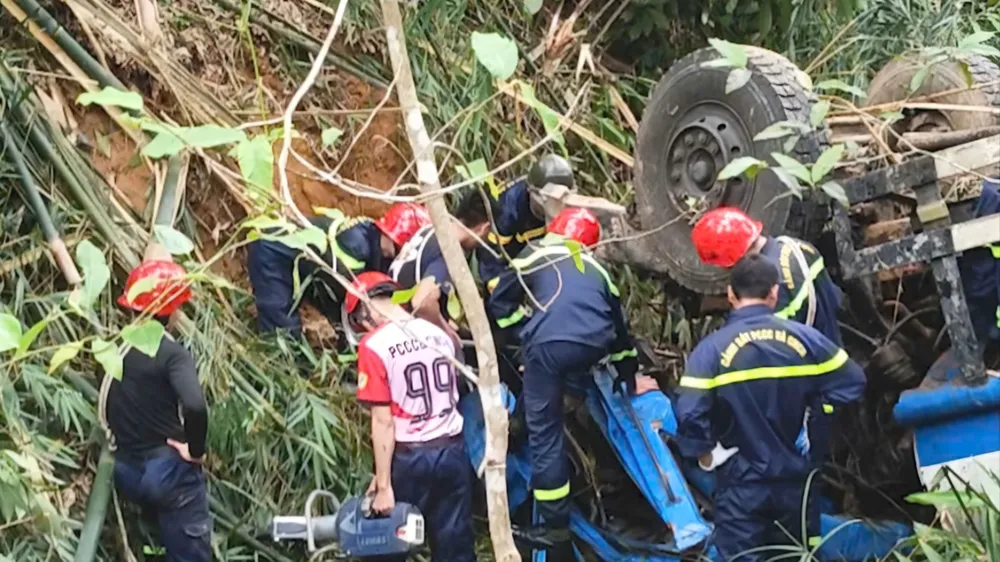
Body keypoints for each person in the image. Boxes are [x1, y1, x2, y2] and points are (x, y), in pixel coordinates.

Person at [673, 254, 866, 561]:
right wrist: (816, 417)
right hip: (796, 482)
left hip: (740, 485)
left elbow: (689, 411)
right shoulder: (807, 340)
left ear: (730, 295)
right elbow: (853, 382)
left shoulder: (710, 351)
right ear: (774, 293)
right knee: (794, 555)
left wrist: (706, 455)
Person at [486, 207, 638, 559]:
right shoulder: (600, 270)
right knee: (560, 381)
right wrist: (628, 373)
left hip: (550, 348)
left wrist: (524, 334)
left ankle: (554, 526)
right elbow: (620, 331)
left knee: (546, 432)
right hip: (595, 346)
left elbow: (500, 301)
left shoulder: (534, 252)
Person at [348, 271, 475, 562]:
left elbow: (383, 421)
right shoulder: (438, 334)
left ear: (365, 311)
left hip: (411, 457)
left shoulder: (374, 346)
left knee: (386, 543)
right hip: (452, 449)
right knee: (455, 546)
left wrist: (384, 485)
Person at [102, 260, 211, 561]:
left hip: (127, 472)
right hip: (167, 474)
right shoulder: (172, 355)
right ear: (171, 311)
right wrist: (196, 450)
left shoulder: (115, 348)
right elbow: (195, 405)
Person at [247, 202, 431, 336]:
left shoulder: (372, 238)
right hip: (273, 251)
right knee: (282, 327)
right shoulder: (356, 246)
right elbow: (344, 293)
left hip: (306, 260)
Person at [692, 207, 842, 346]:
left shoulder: (767, 285)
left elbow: (772, 346)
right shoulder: (799, 247)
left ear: (733, 260)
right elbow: (834, 300)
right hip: (832, 344)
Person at [388, 189, 495, 336]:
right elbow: (422, 301)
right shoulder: (449, 250)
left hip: (391, 309)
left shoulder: (430, 229)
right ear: (484, 228)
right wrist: (446, 332)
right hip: (405, 329)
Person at [476, 154, 576, 283]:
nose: (555, 203)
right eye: (549, 199)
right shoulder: (508, 208)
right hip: (508, 252)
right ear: (531, 191)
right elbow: (490, 257)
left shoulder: (569, 207)